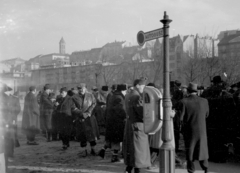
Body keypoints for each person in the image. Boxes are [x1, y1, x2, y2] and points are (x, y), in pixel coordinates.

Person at [179, 82, 209, 173]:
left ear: (188, 91)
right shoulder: (204, 101)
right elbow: (207, 115)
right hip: (202, 130)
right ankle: (205, 168)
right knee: (202, 150)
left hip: (190, 130)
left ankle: (191, 170)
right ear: (197, 91)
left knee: (190, 150)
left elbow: (181, 118)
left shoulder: (184, 101)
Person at [123, 77, 151, 173]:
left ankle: (128, 169)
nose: (144, 88)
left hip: (130, 124)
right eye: (143, 86)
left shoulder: (128, 94)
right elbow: (142, 112)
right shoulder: (137, 97)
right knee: (138, 151)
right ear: (137, 85)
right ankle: (135, 170)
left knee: (131, 149)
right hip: (137, 126)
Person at [72, 83, 99, 156]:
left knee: (92, 135)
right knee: (82, 135)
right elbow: (73, 108)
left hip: (89, 117)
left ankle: (93, 149)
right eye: (79, 88)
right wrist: (81, 114)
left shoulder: (90, 95)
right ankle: (84, 150)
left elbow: (94, 104)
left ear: (85, 88)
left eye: (82, 88)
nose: (80, 90)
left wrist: (88, 112)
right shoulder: (74, 97)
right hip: (80, 118)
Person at [105, 84, 127, 162]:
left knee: (115, 140)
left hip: (111, 121)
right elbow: (120, 110)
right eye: (125, 90)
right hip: (117, 122)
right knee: (117, 140)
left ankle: (114, 156)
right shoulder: (119, 98)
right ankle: (115, 157)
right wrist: (126, 116)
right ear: (123, 90)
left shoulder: (113, 95)